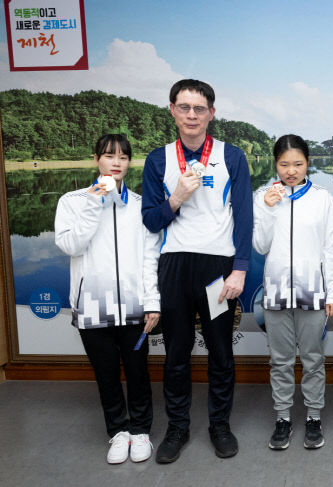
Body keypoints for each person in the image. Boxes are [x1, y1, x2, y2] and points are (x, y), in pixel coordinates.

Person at [141, 79, 253, 463]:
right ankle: (177, 428)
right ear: (172, 109)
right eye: (184, 107)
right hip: (174, 266)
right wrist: (176, 198)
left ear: (211, 113)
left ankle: (219, 425)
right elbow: (152, 220)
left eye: (199, 108)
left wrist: (239, 270)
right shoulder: (158, 159)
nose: (192, 115)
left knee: (221, 350)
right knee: (176, 352)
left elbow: (244, 218)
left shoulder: (231, 156)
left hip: (216, 269)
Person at [55, 134, 160, 464]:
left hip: (134, 305)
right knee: (106, 373)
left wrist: (153, 302)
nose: (116, 162)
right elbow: (72, 246)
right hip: (92, 305)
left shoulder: (141, 204)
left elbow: (150, 257)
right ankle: (118, 432)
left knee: (137, 371)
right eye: (109, 155)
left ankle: (141, 431)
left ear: (130, 163)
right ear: (96, 158)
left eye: (123, 157)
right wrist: (96, 202)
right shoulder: (73, 200)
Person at [252, 135, 333, 450]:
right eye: (284, 164)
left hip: (313, 290)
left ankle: (314, 417)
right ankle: (282, 419)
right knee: (280, 360)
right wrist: (266, 208)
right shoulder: (263, 195)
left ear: (308, 163)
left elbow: (331, 248)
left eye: (298, 164)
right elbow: (260, 246)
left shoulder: (322, 197)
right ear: (275, 164)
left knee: (313, 358)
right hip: (276, 290)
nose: (291, 171)